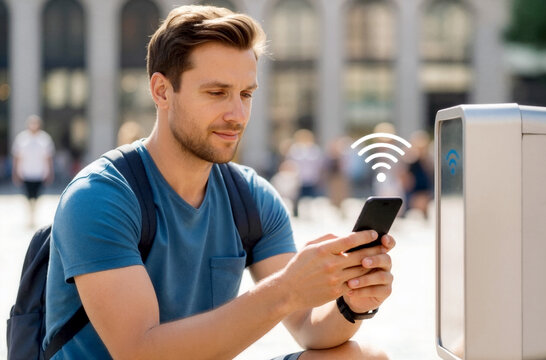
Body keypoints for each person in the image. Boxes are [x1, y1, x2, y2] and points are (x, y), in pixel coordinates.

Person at [45, 5, 394, 360]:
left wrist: (351, 302)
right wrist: (287, 289)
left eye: (246, 94)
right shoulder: (99, 196)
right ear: (162, 91)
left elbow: (307, 326)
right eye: (217, 93)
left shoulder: (251, 198)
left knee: (365, 357)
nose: (238, 115)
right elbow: (139, 352)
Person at [11, 114, 55, 227]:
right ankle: (30, 216)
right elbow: (16, 157)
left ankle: (33, 216)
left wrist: (50, 172)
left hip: (39, 173)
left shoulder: (44, 139)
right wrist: (15, 173)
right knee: (27, 196)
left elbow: (49, 158)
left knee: (37, 196)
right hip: (25, 173)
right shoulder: (22, 138)